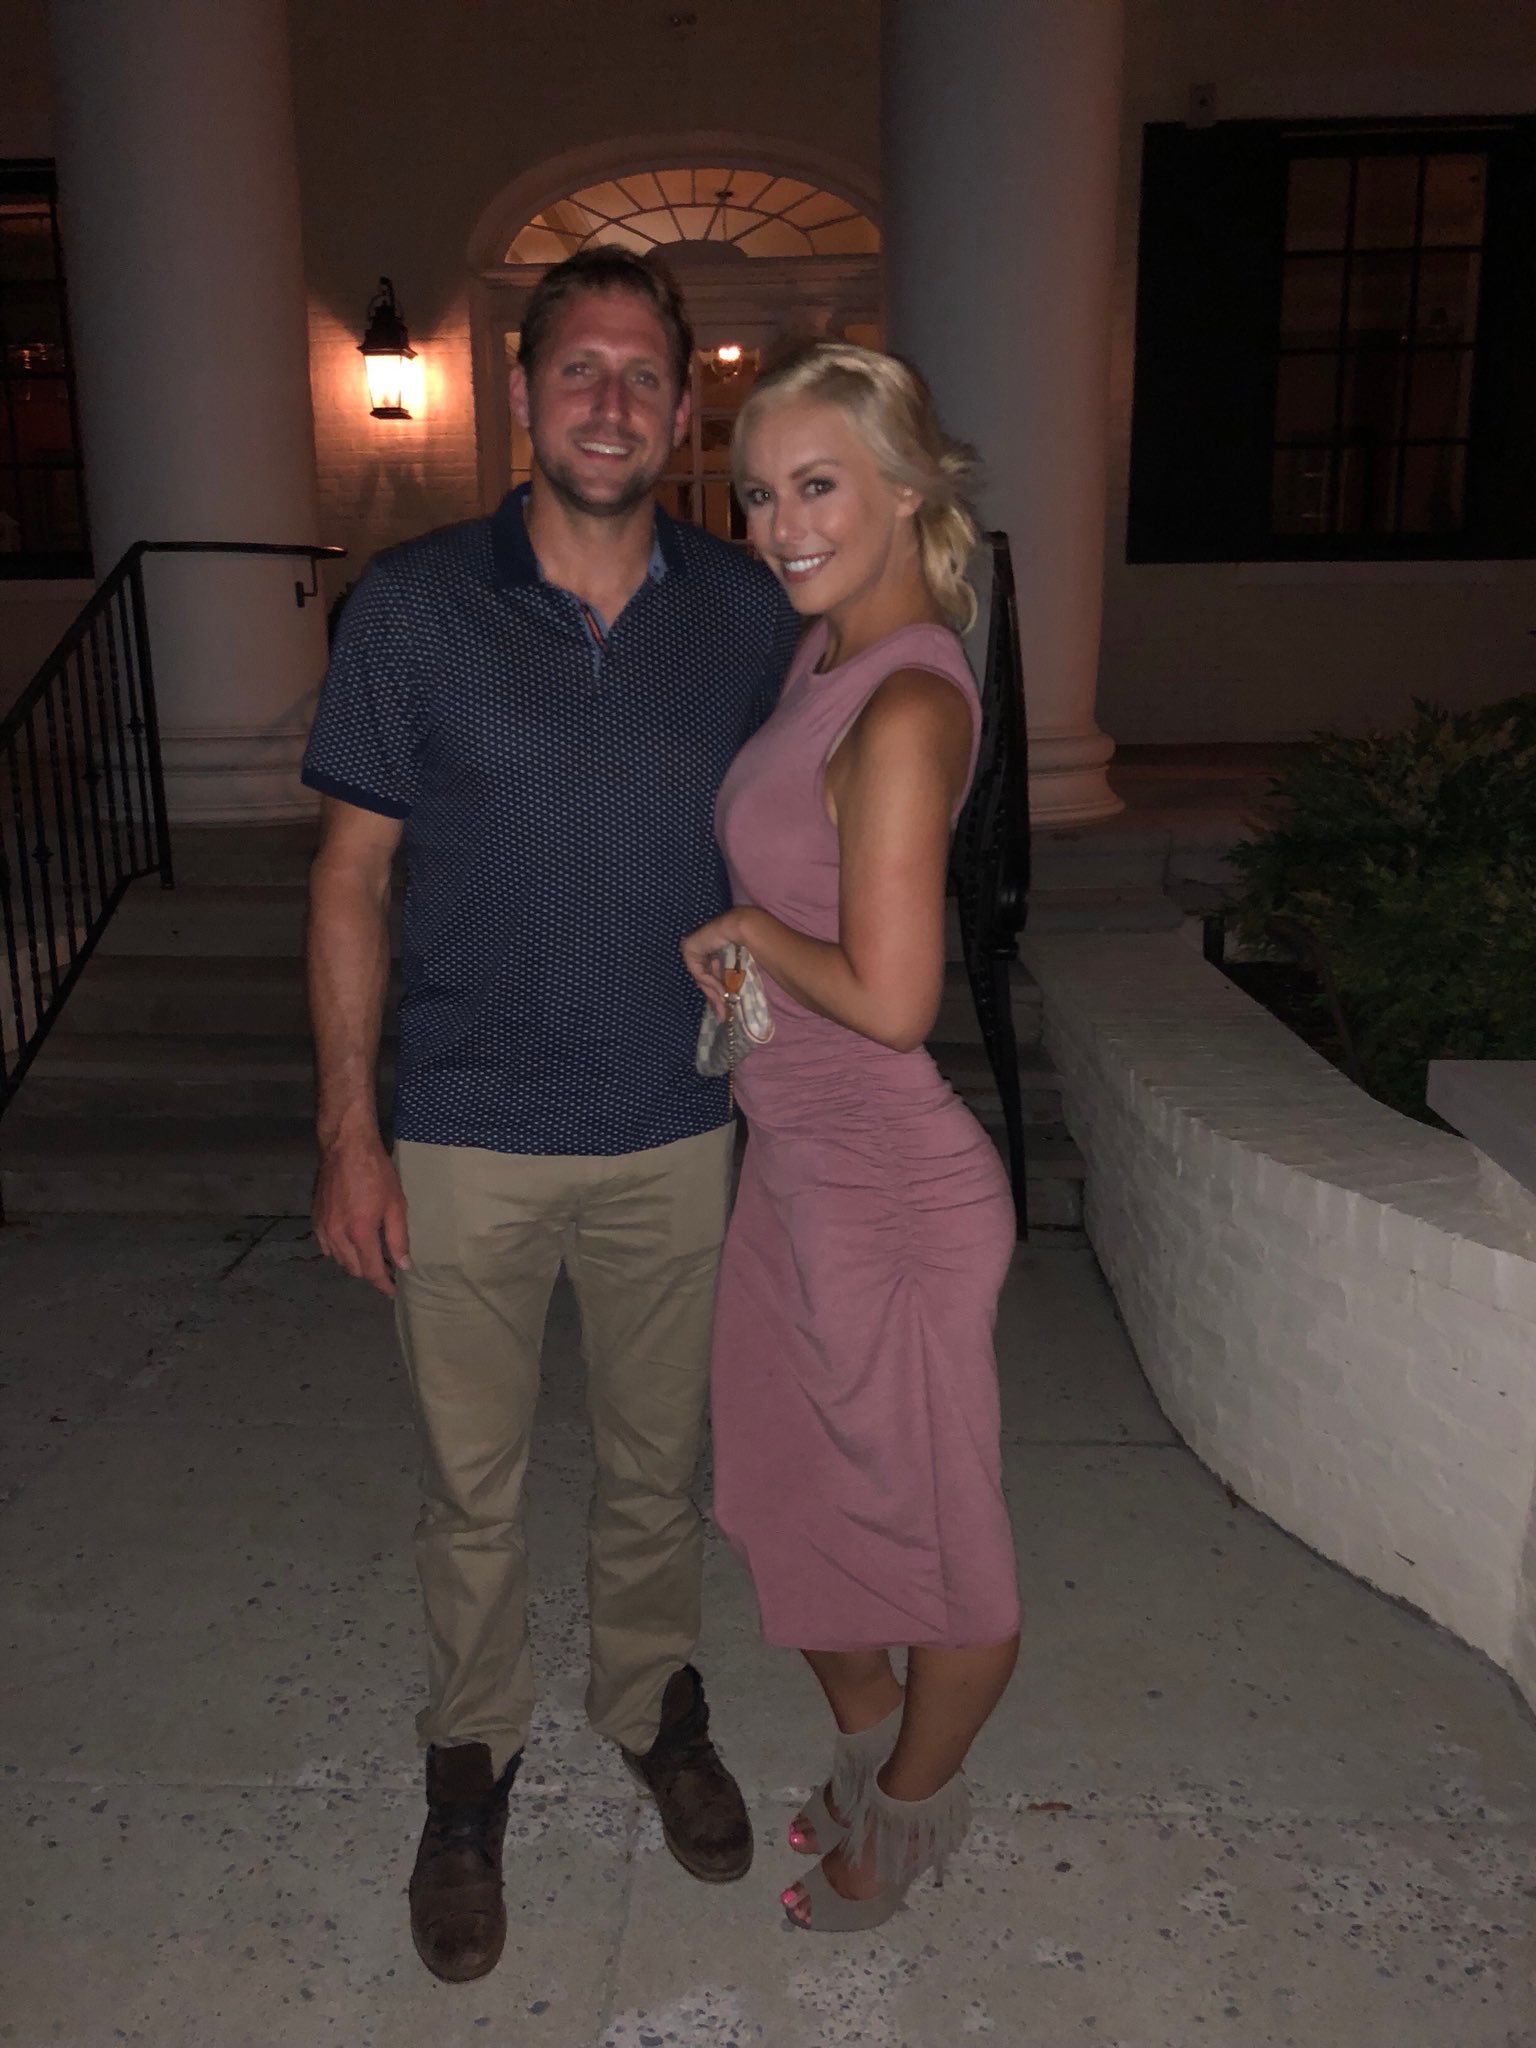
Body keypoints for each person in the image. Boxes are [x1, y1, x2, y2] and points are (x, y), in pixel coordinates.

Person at [302, 246, 802, 1984]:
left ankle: (652, 1703)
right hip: (464, 1129)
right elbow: (350, 874)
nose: (611, 402)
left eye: (644, 375)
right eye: (578, 368)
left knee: (661, 1467)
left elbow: (789, 840)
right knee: (472, 1489)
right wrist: (348, 1130)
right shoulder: (415, 608)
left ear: (682, 411)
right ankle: (471, 1763)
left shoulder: (743, 611)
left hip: (674, 1123)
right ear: (520, 397)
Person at [681, 342, 1021, 1933]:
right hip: (795, 1164)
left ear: (904, 490)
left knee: (938, 1552)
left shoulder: (904, 702)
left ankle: (911, 1814)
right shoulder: (825, 657)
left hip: (883, 1185)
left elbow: (892, 998)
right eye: (757, 492)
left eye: (817, 485)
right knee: (777, 1492)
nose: (780, 523)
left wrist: (753, 932)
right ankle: (874, 1740)